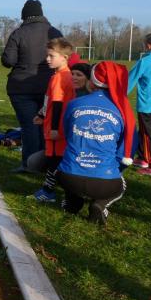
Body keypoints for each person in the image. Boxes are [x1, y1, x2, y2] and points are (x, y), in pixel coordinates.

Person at [58, 61, 135, 224]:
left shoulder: (74, 103)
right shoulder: (124, 112)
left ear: (92, 81)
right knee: (121, 185)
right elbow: (126, 154)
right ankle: (100, 204)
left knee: (69, 169)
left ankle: (72, 202)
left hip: (68, 176)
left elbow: (66, 134)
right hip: (105, 182)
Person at [1, 0, 63, 173]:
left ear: (25, 16)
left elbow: (8, 60)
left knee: (29, 127)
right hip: (49, 87)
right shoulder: (54, 32)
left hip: (21, 87)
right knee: (46, 126)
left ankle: (30, 165)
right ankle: (46, 164)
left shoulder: (19, 33)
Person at [31, 38, 75, 203]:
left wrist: (55, 128)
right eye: (47, 55)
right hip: (60, 127)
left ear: (64, 57)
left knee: (55, 159)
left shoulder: (59, 78)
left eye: (51, 56)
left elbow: (57, 103)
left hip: (56, 129)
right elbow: (49, 101)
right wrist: (42, 115)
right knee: (57, 159)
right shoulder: (65, 75)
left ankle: (48, 191)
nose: (47, 59)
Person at [128, 33, 151, 174]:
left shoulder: (145, 62)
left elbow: (130, 80)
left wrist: (118, 95)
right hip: (148, 105)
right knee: (143, 132)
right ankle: (143, 157)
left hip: (147, 105)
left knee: (148, 134)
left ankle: (150, 165)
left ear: (148, 45)